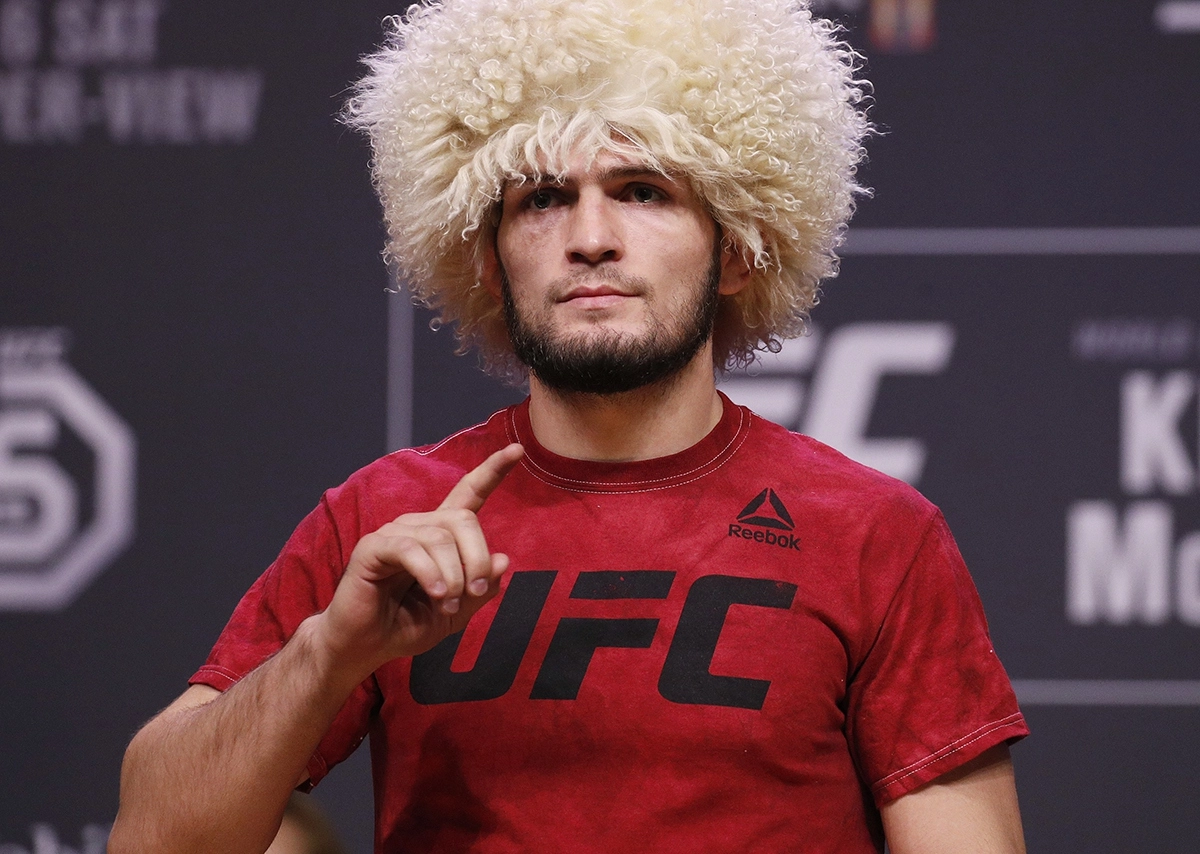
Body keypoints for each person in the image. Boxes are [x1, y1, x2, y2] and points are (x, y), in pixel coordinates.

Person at [110, 0, 1029, 850]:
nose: (590, 238)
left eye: (643, 190)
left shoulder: (873, 534)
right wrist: (327, 654)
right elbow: (154, 841)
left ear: (739, 252)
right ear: (488, 259)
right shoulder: (387, 523)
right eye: (543, 199)